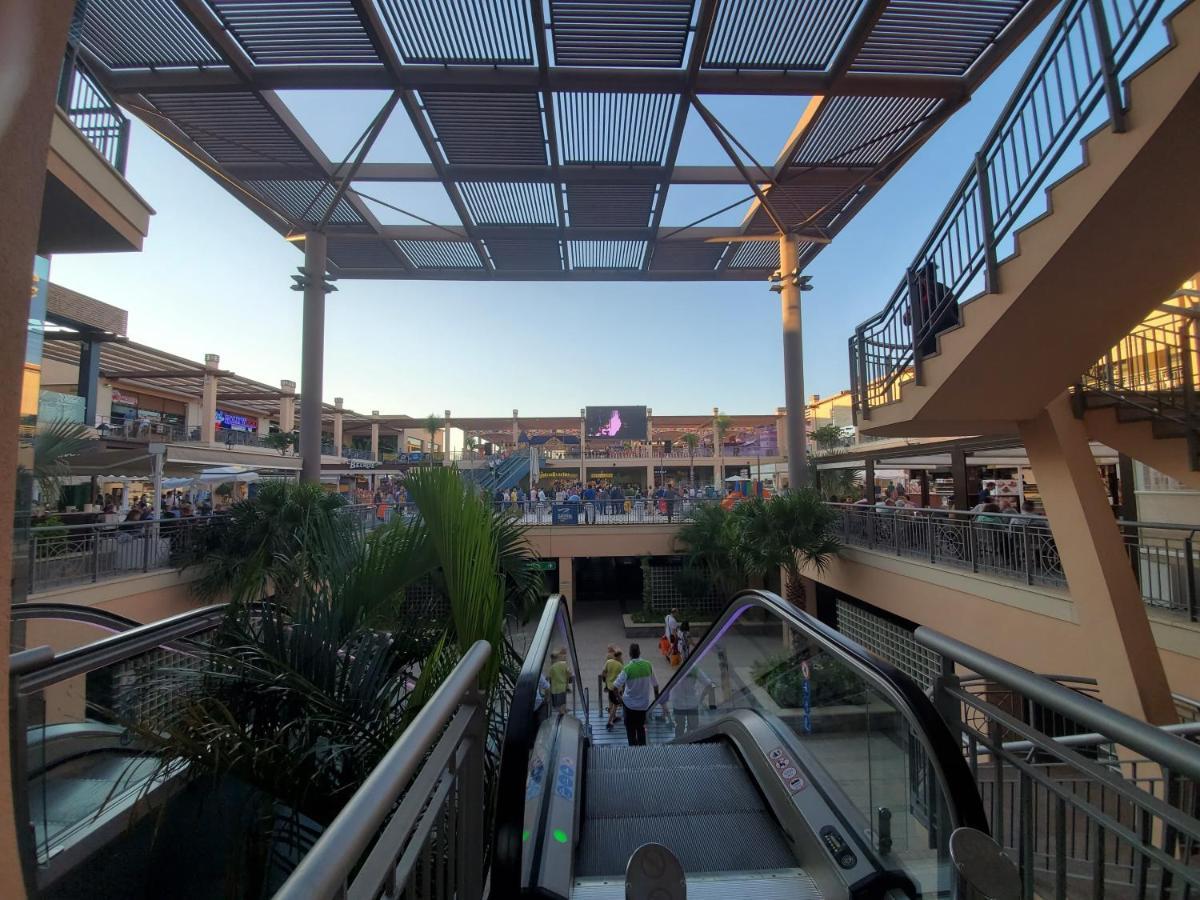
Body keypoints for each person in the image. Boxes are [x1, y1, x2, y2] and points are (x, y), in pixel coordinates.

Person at [613, 643, 659, 746]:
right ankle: (642, 751)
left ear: (630, 654)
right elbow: (656, 686)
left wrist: (620, 700)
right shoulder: (648, 665)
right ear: (639, 653)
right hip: (643, 706)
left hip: (629, 706)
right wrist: (656, 701)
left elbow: (615, 687)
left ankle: (633, 753)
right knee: (641, 729)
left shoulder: (627, 668)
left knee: (630, 731)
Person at [671, 665, 714, 738]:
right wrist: (702, 697)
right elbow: (709, 684)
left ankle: (679, 744)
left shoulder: (677, 664)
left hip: (678, 703)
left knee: (679, 727)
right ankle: (690, 743)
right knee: (692, 728)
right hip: (692, 703)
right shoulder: (694, 669)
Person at [602, 647, 624, 730]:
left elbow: (604, 672)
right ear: (619, 656)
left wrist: (605, 681)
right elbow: (623, 677)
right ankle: (609, 722)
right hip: (616, 688)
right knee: (615, 705)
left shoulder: (608, 662)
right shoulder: (620, 665)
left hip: (609, 685)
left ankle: (613, 717)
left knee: (611, 702)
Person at [548, 648, 572, 715]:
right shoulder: (564, 664)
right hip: (563, 686)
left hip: (555, 687)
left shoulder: (552, 667)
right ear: (558, 657)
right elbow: (569, 672)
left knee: (558, 701)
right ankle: (563, 711)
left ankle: (561, 711)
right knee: (563, 700)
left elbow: (550, 677)